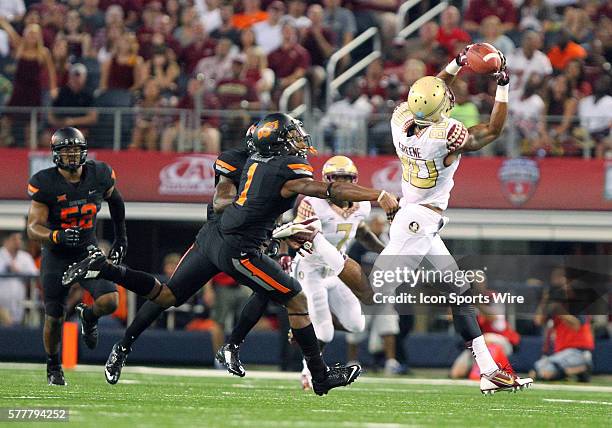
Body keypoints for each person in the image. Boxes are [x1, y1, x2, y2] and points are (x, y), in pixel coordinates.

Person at [64, 113, 399, 395]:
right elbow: (329, 189)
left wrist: (260, 225)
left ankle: (104, 269)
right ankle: (320, 377)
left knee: (167, 294)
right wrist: (378, 193)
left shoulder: (260, 159)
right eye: (292, 136)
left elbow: (257, 200)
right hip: (239, 245)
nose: (299, 141)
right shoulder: (284, 166)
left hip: (217, 236)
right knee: (295, 299)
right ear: (278, 143)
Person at [382, 44, 533, 394]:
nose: (450, 98)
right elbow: (493, 130)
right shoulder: (444, 136)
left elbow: (431, 91)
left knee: (460, 293)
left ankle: (488, 371)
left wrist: (457, 63)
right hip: (416, 220)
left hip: (418, 216)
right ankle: (310, 341)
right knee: (371, 290)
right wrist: (504, 83)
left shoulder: (400, 117)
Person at [26, 127, 126, 386]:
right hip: (57, 254)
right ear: (55, 154)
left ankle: (88, 316)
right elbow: (33, 227)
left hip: (86, 249)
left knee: (110, 301)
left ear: (84, 151)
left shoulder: (99, 174)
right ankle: (53, 366)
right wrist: (55, 236)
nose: (71, 156)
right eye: (65, 150)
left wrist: (121, 238)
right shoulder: (45, 182)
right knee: (54, 316)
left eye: (75, 150)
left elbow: (116, 201)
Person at [290, 156, 385, 390]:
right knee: (326, 331)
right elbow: (297, 235)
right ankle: (307, 373)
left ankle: (305, 326)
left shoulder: (362, 205)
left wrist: (387, 252)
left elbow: (360, 232)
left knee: (356, 325)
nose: (342, 185)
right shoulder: (312, 202)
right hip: (310, 268)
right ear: (327, 182)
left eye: (347, 179)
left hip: (337, 271)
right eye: (337, 179)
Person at [0, 232, 39, 325]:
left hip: (19, 304)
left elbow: (35, 274)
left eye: (19, 239)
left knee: (16, 331)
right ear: (7, 241)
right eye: (14, 239)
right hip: (1, 304)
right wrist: (7, 267)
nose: (18, 242)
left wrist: (18, 271)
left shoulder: (25, 257)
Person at [48, 64, 97, 135]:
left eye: (79, 76)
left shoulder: (89, 94)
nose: (76, 79)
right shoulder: (61, 92)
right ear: (69, 77)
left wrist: (73, 121)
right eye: (74, 75)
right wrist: (62, 123)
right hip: (61, 128)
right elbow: (51, 117)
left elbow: (93, 118)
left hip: (81, 129)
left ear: (85, 77)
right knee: (45, 138)